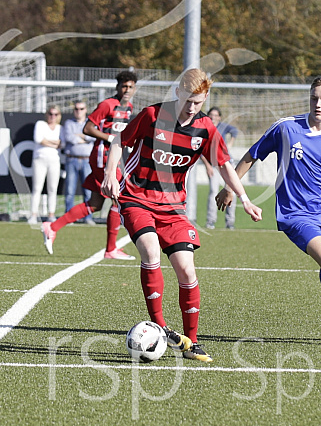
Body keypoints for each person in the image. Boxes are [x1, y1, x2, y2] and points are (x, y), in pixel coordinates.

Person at [101, 68, 263, 362]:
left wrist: (245, 199)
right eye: (188, 100)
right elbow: (117, 141)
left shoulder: (206, 129)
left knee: (187, 270)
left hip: (174, 208)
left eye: (198, 102)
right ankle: (160, 325)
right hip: (137, 198)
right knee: (150, 251)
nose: (192, 107)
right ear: (178, 93)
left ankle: (192, 342)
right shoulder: (152, 115)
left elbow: (225, 165)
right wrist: (111, 173)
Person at [216, 73, 321, 343]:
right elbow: (252, 155)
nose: (318, 104)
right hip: (294, 214)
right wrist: (229, 188)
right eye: (314, 98)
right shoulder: (286, 128)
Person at [41, 71, 138, 258]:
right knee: (119, 198)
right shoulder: (107, 104)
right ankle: (110, 249)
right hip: (102, 156)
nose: (127, 90)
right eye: (124, 86)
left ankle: (52, 227)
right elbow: (88, 128)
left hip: (112, 157)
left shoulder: (129, 107)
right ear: (117, 87)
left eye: (130, 86)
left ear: (134, 88)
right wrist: (111, 138)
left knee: (95, 204)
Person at [202, 107, 239, 229]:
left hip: (228, 164)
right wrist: (207, 166)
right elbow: (200, 151)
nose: (213, 117)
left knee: (230, 191)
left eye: (215, 115)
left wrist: (231, 143)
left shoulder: (223, 127)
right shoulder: (203, 128)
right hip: (214, 165)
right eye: (211, 115)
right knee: (213, 191)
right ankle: (210, 221)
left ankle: (230, 222)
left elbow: (234, 131)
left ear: (219, 117)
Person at [62, 101, 96, 225]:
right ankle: (69, 217)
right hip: (72, 159)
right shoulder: (69, 123)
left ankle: (87, 218)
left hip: (87, 160)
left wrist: (82, 136)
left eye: (81, 109)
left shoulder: (90, 123)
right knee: (70, 191)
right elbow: (70, 138)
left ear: (86, 109)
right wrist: (84, 137)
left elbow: (93, 136)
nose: (78, 111)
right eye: (76, 109)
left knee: (88, 192)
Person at [28, 106, 62, 225]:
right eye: (51, 114)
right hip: (40, 159)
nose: (53, 116)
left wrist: (47, 141)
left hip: (54, 160)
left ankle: (51, 214)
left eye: (55, 114)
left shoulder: (60, 128)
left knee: (52, 188)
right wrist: (54, 143)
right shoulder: (40, 124)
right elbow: (38, 139)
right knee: (37, 188)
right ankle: (33, 214)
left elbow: (61, 144)